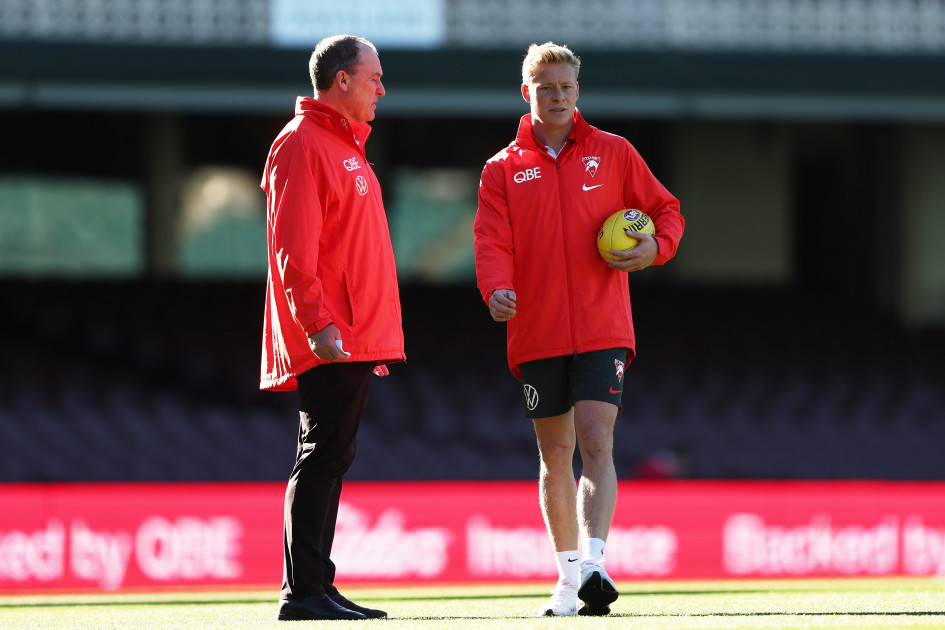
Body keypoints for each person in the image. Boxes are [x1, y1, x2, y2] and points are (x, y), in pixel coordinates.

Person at [473, 42, 684, 617]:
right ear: (528, 93)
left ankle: (593, 565)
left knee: (596, 439)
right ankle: (567, 580)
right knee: (555, 450)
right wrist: (495, 289)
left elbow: (668, 211)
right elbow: (490, 241)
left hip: (602, 326)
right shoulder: (502, 169)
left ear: (578, 91)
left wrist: (655, 249)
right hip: (535, 331)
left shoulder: (614, 153)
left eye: (567, 87)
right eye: (548, 88)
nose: (559, 96)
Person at [259, 34, 405, 621]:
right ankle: (301, 593)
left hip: (352, 326)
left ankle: (318, 584)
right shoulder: (303, 143)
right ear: (342, 80)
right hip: (331, 328)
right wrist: (318, 324)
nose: (381, 88)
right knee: (321, 454)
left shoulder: (341, 144)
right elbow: (294, 247)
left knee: (332, 454)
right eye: (373, 77)